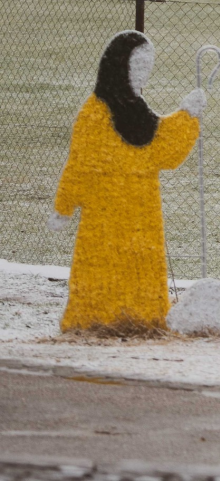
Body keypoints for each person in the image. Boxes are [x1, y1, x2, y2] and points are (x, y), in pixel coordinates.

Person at [48, 30, 206, 332]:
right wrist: (63, 206)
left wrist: (188, 115)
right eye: (139, 68)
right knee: (101, 268)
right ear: (120, 67)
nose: (144, 75)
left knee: (141, 268)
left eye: (147, 69)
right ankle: (95, 321)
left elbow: (162, 151)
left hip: (141, 212)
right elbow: (78, 164)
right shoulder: (94, 114)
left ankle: (143, 321)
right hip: (104, 215)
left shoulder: (138, 112)